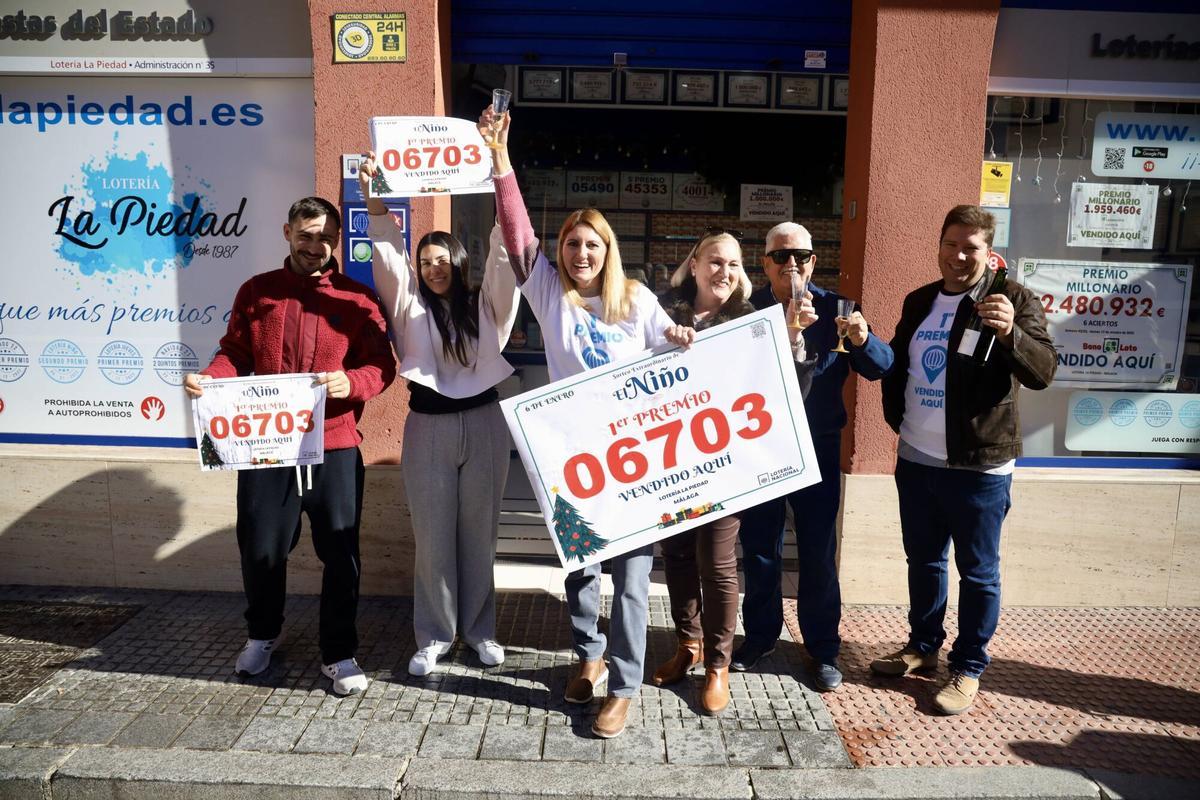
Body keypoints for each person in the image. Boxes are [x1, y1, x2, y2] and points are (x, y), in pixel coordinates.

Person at [481, 104, 694, 739]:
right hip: (573, 456)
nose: (580, 253)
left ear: (609, 251)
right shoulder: (551, 297)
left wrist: (681, 337)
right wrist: (501, 162)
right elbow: (518, 236)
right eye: (572, 243)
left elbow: (674, 350)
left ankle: (624, 685)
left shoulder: (638, 301)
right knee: (579, 567)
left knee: (631, 577)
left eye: (591, 244)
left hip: (632, 460)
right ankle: (589, 656)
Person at [184, 196, 395, 696]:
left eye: (325, 237)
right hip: (267, 444)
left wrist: (353, 383)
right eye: (306, 235)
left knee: (340, 553)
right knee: (260, 546)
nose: (315, 246)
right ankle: (262, 635)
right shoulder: (258, 292)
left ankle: (339, 652)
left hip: (335, 445)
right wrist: (210, 380)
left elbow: (382, 365)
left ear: (337, 240)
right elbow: (234, 352)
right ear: (287, 233)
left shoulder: (357, 299)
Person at [872, 204, 1054, 714]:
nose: (958, 256)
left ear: (988, 252)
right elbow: (899, 365)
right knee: (925, 561)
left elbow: (1043, 372)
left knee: (978, 572)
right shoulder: (920, 300)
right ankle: (922, 648)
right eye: (951, 244)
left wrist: (1011, 334)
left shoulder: (1014, 299)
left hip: (978, 467)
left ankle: (969, 666)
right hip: (917, 458)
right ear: (939, 246)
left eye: (970, 247)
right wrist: (900, 423)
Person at [358, 152, 520, 677]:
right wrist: (374, 198)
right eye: (425, 260)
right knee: (432, 537)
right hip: (426, 426)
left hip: (486, 424)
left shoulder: (485, 306)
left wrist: (501, 173)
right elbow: (387, 253)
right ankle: (432, 637)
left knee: (481, 533)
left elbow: (504, 255)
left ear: (458, 261)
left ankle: (480, 632)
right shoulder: (408, 306)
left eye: (442, 258)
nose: (434, 267)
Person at [652, 229, 816, 713]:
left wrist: (793, 338)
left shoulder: (751, 320)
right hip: (669, 461)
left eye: (733, 265)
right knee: (678, 556)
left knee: (718, 564)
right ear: (695, 263)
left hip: (726, 465)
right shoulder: (661, 312)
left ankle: (717, 665)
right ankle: (688, 645)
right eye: (715, 262)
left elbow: (780, 388)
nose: (723, 272)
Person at [734, 222, 893, 692]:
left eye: (800, 256)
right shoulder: (748, 310)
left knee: (819, 553)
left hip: (818, 447)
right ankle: (760, 637)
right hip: (762, 448)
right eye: (780, 257)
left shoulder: (839, 307)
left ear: (812, 262)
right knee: (761, 549)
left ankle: (822, 647)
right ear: (765, 264)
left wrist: (863, 339)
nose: (792, 266)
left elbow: (882, 367)